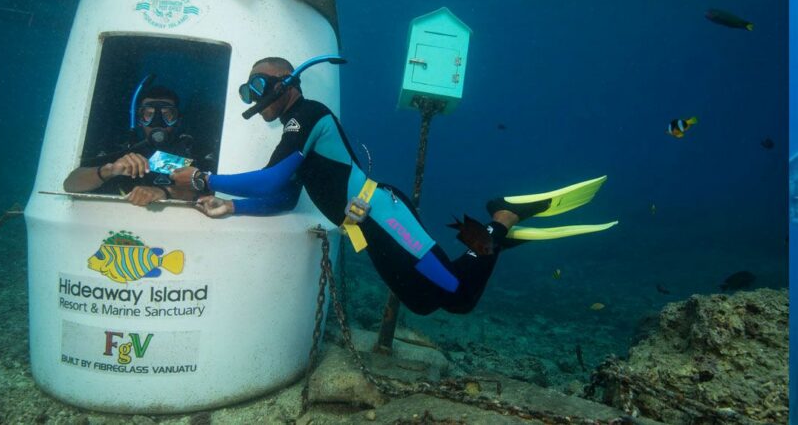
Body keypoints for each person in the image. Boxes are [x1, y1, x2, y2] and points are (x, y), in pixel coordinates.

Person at [171, 57, 615, 316]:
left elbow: (268, 181)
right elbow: (281, 196)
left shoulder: (308, 115)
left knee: (458, 299)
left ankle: (502, 217)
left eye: (259, 86)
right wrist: (233, 209)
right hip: (366, 231)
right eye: (247, 90)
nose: (253, 97)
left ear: (287, 85)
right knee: (423, 302)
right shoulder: (291, 132)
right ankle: (494, 240)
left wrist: (202, 178)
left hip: (387, 215)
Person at [65, 84, 210, 206]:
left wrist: (164, 192)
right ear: (140, 119)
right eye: (149, 114)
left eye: (167, 115)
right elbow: (70, 184)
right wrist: (109, 170)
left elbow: (211, 190)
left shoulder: (193, 151)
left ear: (178, 119)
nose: (157, 122)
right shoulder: (123, 150)